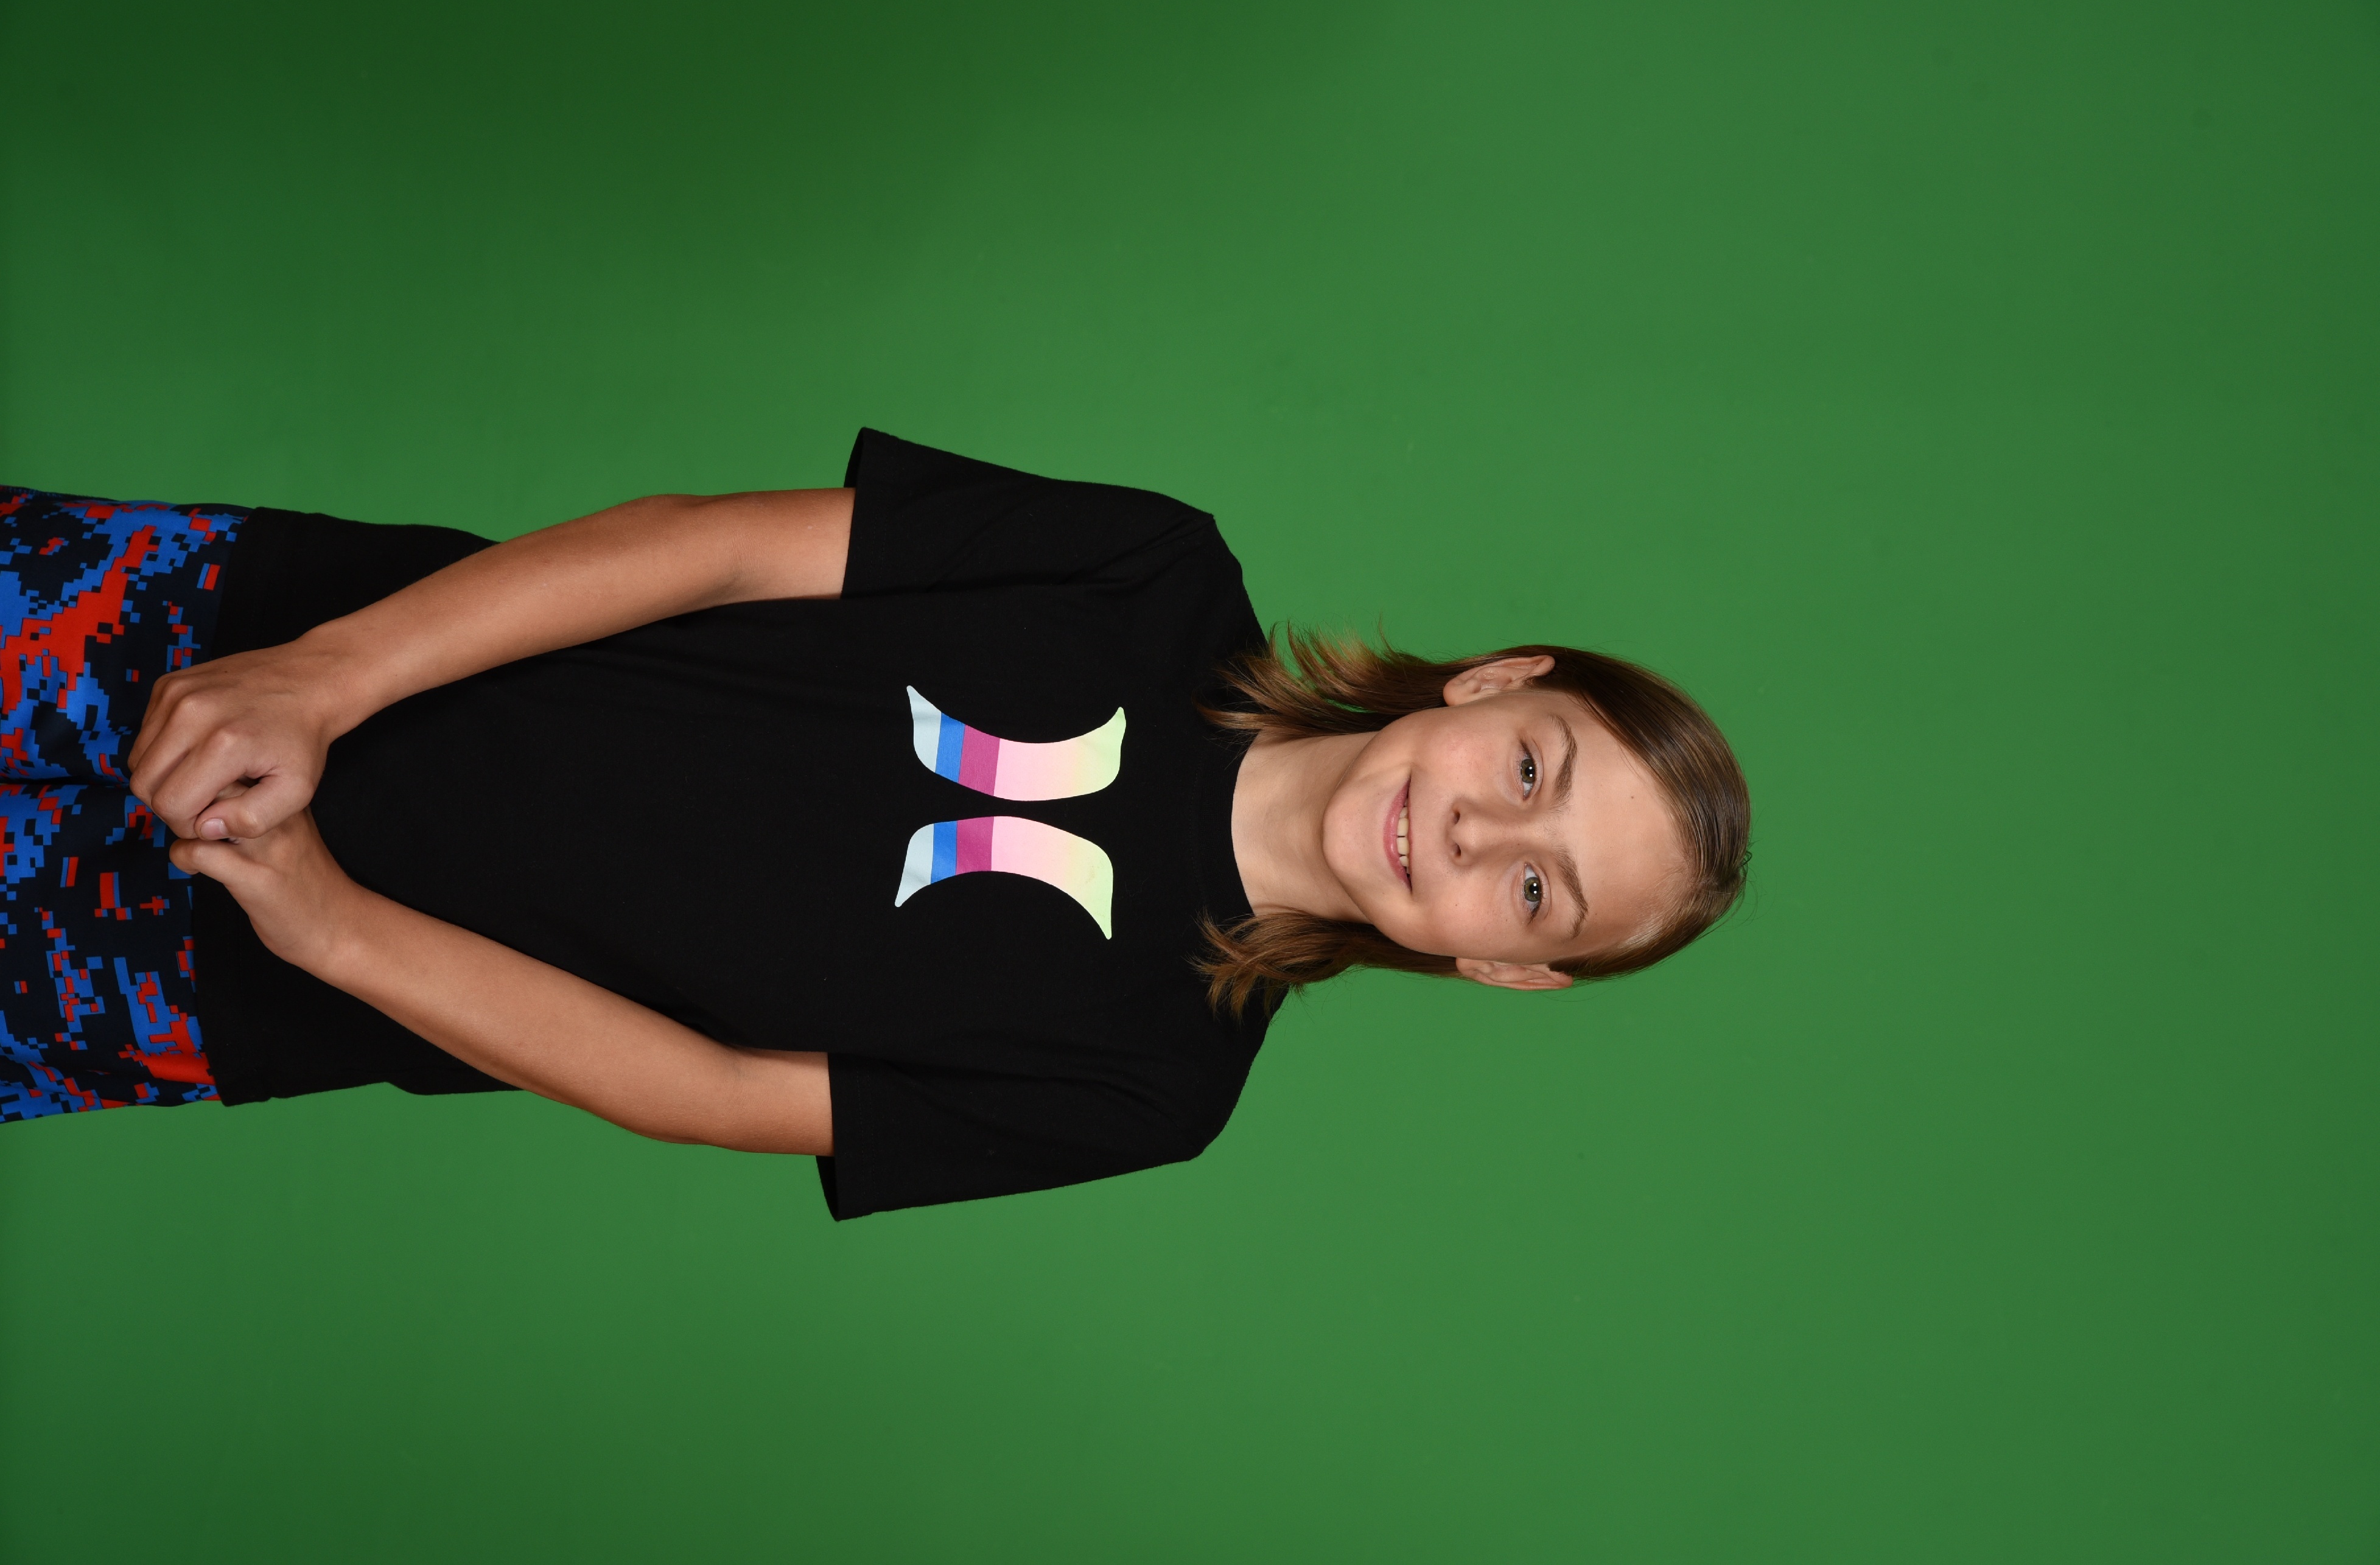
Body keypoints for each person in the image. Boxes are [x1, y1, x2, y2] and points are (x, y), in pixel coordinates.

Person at [0, 432, 1750, 1217]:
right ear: (1496, 681)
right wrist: (323, 674)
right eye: (1536, 770)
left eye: (1541, 894)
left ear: (1505, 969)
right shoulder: (1151, 571)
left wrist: (329, 927)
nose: (1480, 838)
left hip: (230, 980)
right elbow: (710, 548)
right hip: (247, 633)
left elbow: (712, 1092)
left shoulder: (1154, 1082)